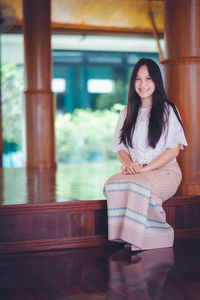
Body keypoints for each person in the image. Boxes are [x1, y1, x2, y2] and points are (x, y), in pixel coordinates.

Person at [103, 58, 188, 251]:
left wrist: (145, 168)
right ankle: (121, 235)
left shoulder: (168, 109)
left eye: (148, 79)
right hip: (137, 172)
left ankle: (153, 237)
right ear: (133, 83)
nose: (142, 84)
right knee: (112, 183)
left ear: (156, 81)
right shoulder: (126, 112)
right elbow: (121, 149)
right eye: (138, 79)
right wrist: (131, 165)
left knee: (138, 185)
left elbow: (174, 149)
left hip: (166, 172)